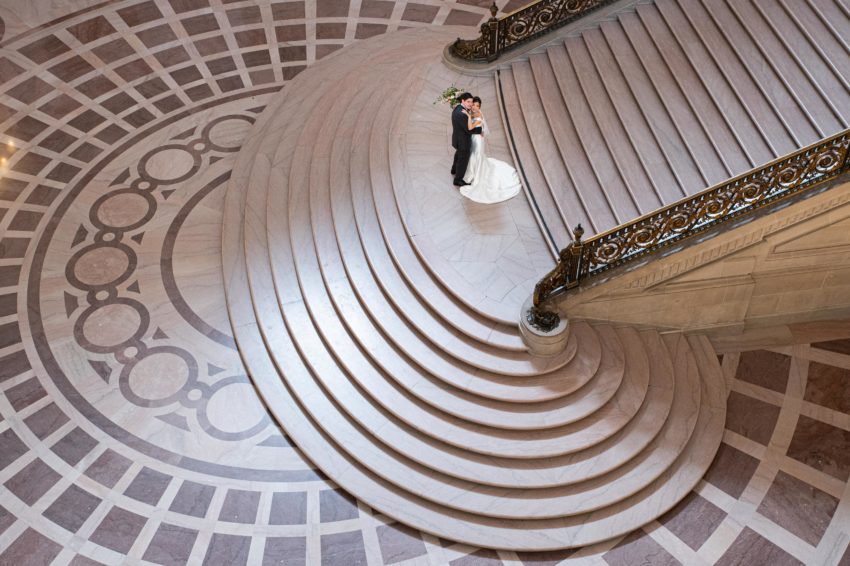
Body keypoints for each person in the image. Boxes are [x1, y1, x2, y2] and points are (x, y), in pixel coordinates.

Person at [460, 97, 521, 204]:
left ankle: (475, 175)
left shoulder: (478, 115)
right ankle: (471, 172)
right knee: (474, 155)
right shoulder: (473, 113)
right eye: (474, 105)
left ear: (479, 107)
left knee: (477, 155)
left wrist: (467, 115)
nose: (475, 107)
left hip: (477, 140)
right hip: (475, 137)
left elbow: (470, 127)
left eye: (477, 106)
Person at [451, 92, 475, 187]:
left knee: (458, 154)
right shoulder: (461, 114)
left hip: (457, 139)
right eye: (468, 101)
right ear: (463, 101)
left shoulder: (457, 108)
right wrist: (479, 129)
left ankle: (454, 170)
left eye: (471, 102)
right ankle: (458, 180)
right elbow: (469, 129)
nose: (470, 104)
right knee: (463, 160)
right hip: (463, 141)